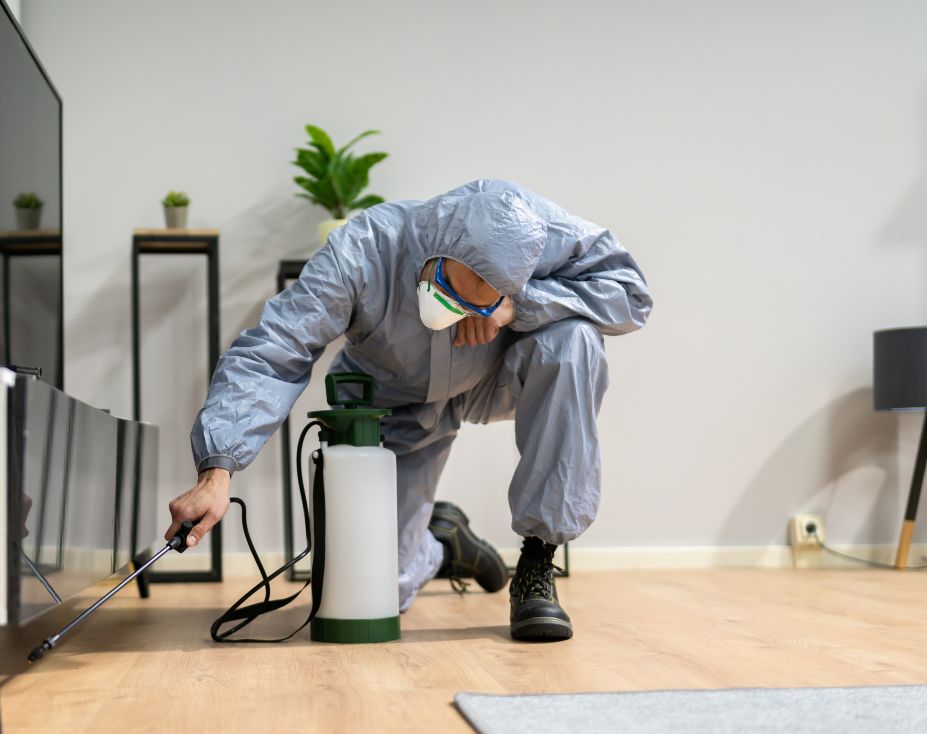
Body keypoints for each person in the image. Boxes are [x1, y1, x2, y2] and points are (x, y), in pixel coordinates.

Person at [166, 179, 651, 641]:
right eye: (448, 290)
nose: (452, 313)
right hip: (394, 402)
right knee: (377, 591)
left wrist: (517, 307)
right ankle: (441, 543)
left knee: (574, 341)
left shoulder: (539, 231)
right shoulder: (361, 251)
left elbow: (630, 294)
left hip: (492, 377)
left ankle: (538, 561)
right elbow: (276, 348)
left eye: (472, 307)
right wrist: (217, 470)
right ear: (436, 249)